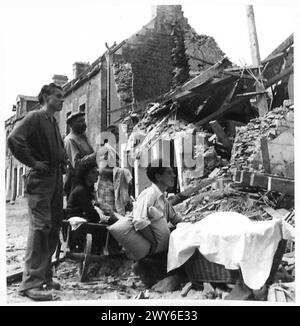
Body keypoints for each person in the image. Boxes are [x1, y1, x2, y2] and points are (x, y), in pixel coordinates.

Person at [7, 83, 67, 301]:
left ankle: (45, 277)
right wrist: (32, 162)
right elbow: (14, 139)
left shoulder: (52, 120)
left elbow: (57, 148)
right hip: (41, 179)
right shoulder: (34, 117)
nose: (62, 99)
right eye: (58, 96)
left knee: (53, 227)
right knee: (41, 227)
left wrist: (63, 159)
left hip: (55, 177)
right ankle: (30, 284)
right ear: (45, 97)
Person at [131, 159, 183, 286]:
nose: (174, 175)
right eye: (169, 173)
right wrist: (154, 242)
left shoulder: (162, 197)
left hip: (161, 248)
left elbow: (175, 218)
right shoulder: (149, 195)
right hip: (154, 251)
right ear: (158, 177)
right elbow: (139, 221)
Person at [66, 161, 118, 252]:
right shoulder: (81, 190)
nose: (97, 175)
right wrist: (104, 219)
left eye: (97, 172)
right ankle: (112, 254)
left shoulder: (87, 189)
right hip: (79, 224)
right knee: (111, 227)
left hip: (84, 221)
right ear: (85, 175)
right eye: (93, 172)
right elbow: (90, 213)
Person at [64, 111, 96, 199]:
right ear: (71, 125)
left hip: (87, 181)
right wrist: (95, 156)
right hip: (76, 182)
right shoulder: (70, 140)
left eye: (84, 121)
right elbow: (76, 164)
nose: (84, 124)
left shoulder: (83, 138)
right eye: (80, 121)